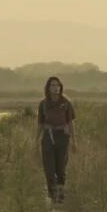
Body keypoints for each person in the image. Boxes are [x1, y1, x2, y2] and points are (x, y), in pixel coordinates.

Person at [36, 75, 77, 203]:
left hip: (63, 136)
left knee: (61, 166)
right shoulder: (43, 104)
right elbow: (40, 124)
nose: (55, 88)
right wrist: (36, 141)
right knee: (49, 167)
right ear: (48, 88)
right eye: (53, 85)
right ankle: (52, 194)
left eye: (57, 85)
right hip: (48, 136)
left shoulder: (66, 103)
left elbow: (70, 122)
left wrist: (74, 141)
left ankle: (60, 192)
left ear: (61, 87)